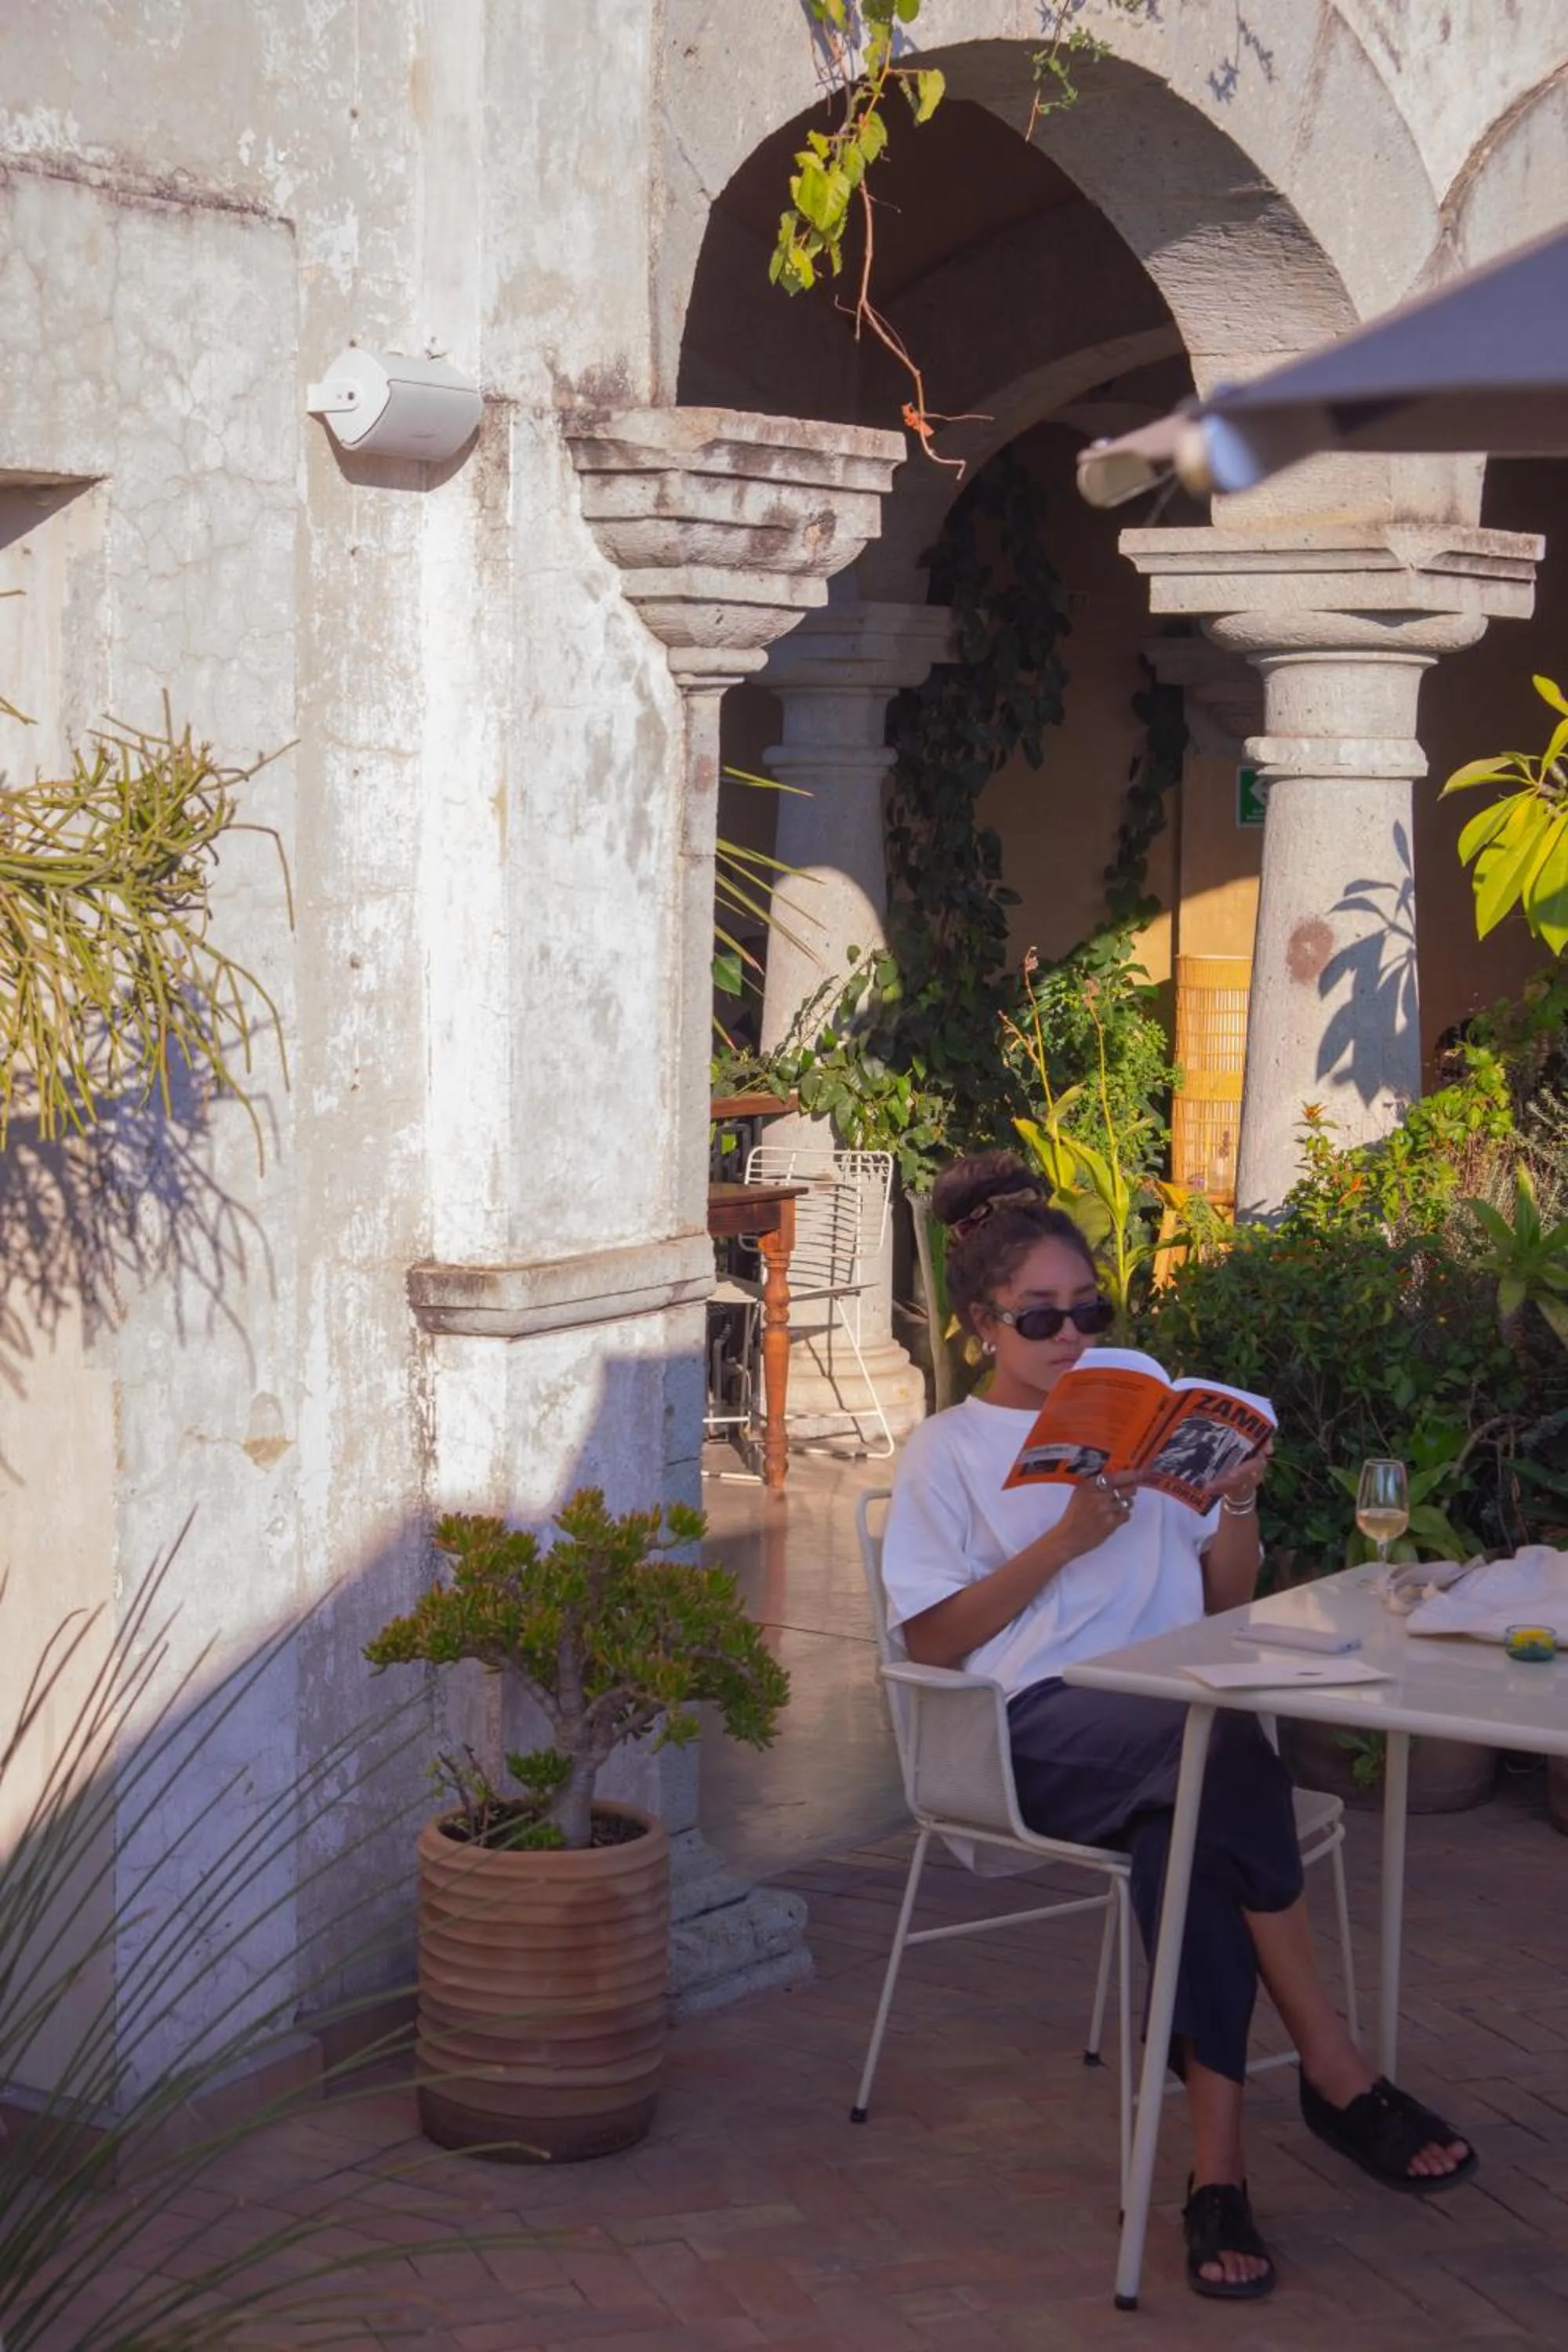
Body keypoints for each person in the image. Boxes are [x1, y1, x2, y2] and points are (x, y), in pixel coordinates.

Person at [882, 1150, 1477, 2301]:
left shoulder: (1136, 1394)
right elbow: (932, 1647)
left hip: (1167, 1726)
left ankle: (1216, 2182)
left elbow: (1223, 1600)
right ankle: (1334, 2063)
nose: (1072, 1337)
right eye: (1042, 1318)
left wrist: (1239, 1495)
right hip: (1026, 1730)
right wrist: (1064, 1540)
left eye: (1089, 1310)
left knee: (1190, 1833)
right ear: (978, 1329)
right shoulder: (945, 1454)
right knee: (1216, 1745)